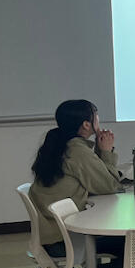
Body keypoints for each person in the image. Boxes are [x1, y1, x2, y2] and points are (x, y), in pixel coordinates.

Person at [29, 99, 123, 246]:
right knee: (129, 242)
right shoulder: (77, 150)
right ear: (86, 124)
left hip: (52, 233)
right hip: (65, 239)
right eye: (96, 115)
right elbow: (110, 186)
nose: (98, 119)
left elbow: (96, 180)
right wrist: (106, 151)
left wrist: (100, 150)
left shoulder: (62, 144)